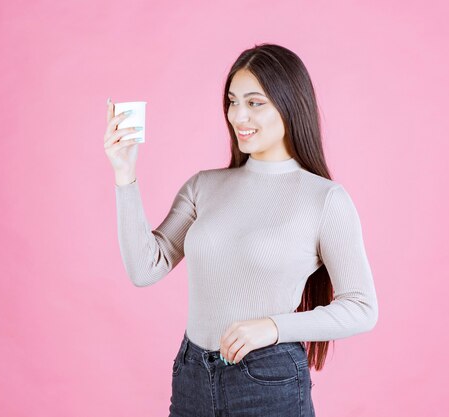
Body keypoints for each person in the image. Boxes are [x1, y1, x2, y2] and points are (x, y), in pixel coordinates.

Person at [103, 43, 379, 417]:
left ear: (290, 105)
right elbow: (145, 268)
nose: (238, 115)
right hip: (192, 376)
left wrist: (272, 327)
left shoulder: (325, 199)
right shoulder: (204, 186)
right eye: (232, 101)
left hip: (267, 378)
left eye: (255, 102)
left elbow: (362, 308)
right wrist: (125, 174)